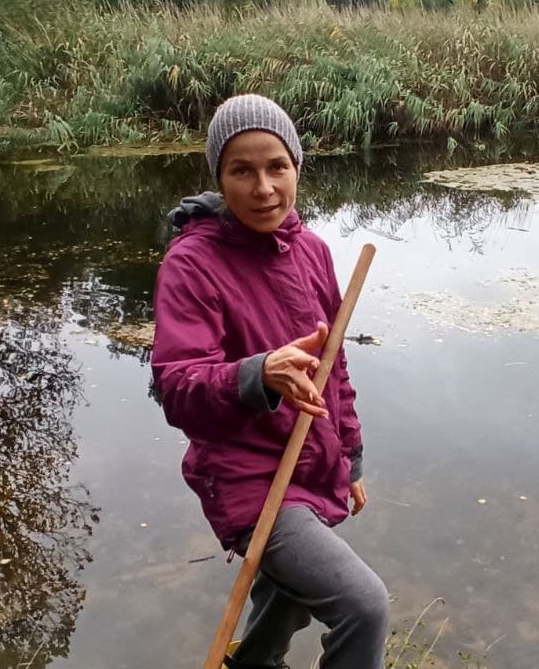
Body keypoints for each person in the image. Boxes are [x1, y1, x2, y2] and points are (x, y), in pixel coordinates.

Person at [151, 94, 389, 669]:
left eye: (276, 167)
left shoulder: (311, 251)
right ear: (219, 176)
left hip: (309, 459)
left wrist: (350, 456)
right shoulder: (191, 264)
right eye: (242, 170)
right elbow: (177, 388)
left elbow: (336, 370)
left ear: (297, 168)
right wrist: (258, 374)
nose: (263, 189)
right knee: (363, 606)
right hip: (244, 477)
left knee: (287, 600)